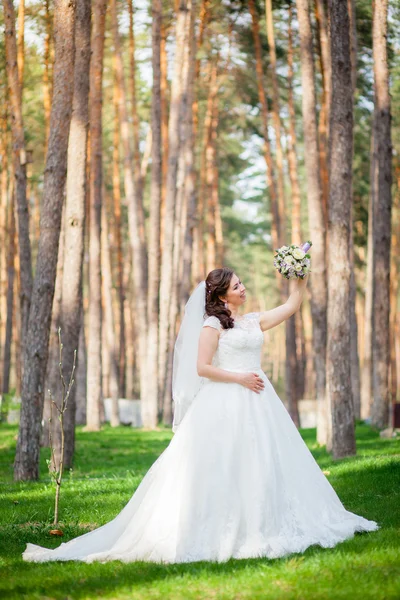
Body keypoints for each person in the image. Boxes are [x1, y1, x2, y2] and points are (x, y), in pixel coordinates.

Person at [23, 267, 378, 564]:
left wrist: (298, 277)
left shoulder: (252, 321)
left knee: (264, 459)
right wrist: (239, 377)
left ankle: (266, 519)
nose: (244, 287)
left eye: (241, 282)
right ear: (223, 295)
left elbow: (290, 306)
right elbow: (202, 367)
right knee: (222, 463)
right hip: (226, 398)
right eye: (237, 285)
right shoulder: (213, 325)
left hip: (259, 400)